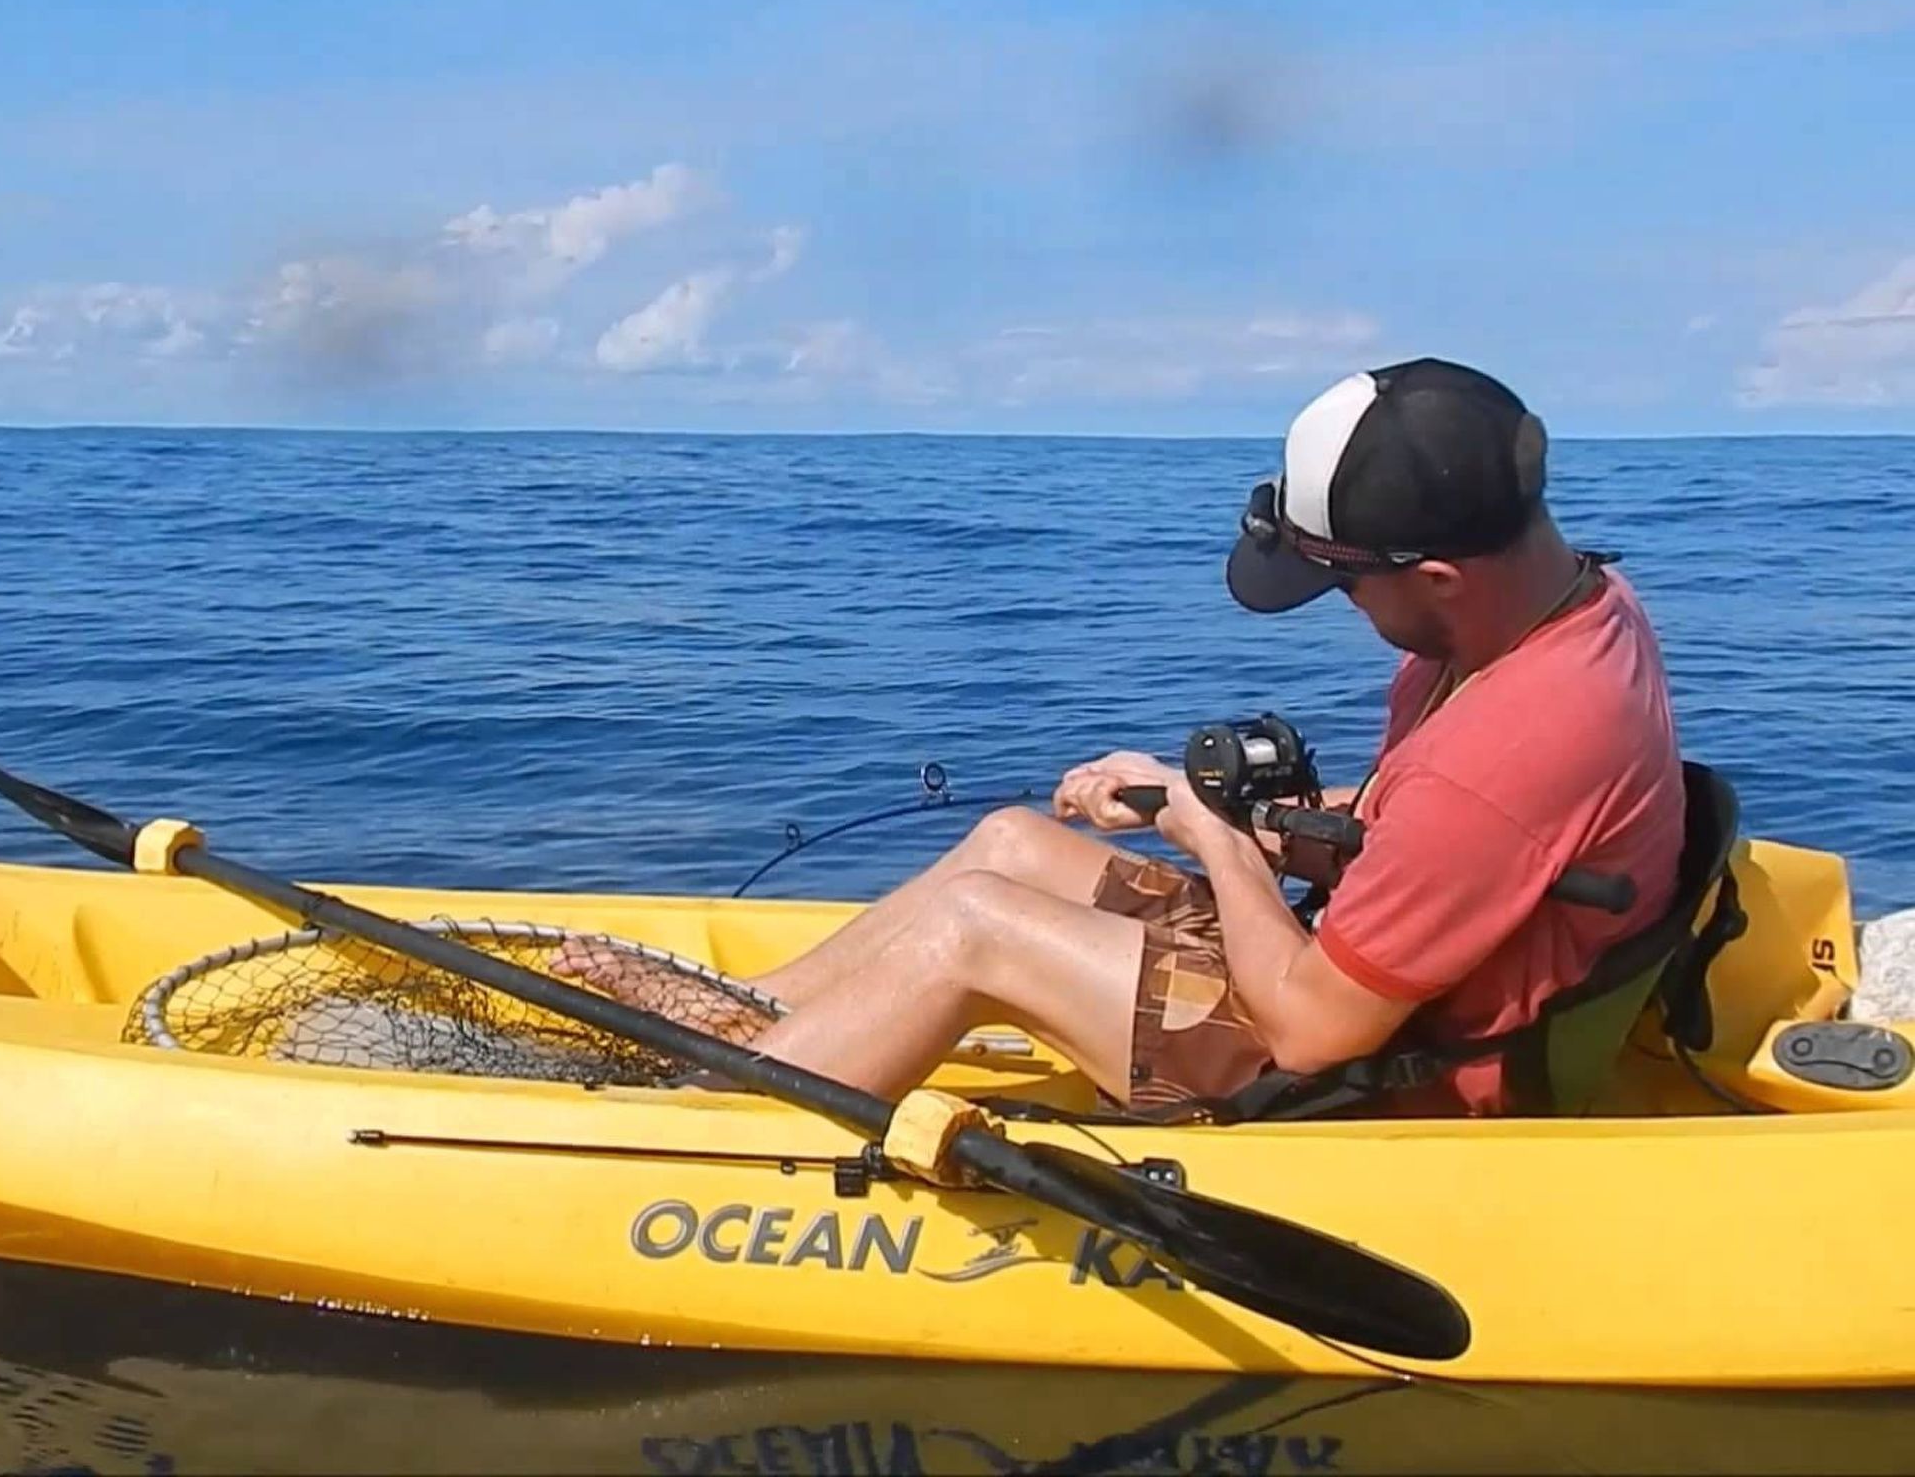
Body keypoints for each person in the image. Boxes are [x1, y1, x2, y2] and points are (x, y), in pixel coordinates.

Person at [598, 359, 1687, 1117]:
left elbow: (1314, 1034)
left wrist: (1212, 838)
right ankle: (752, 1026)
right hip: (1362, 973)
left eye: (1343, 584)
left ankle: (702, 1130)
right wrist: (1197, 801)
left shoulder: (1505, 748)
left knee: (973, 929)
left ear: (1438, 578)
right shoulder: (1560, 607)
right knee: (1007, 847)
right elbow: (1427, 835)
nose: (1344, 608)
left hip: (1396, 1066)